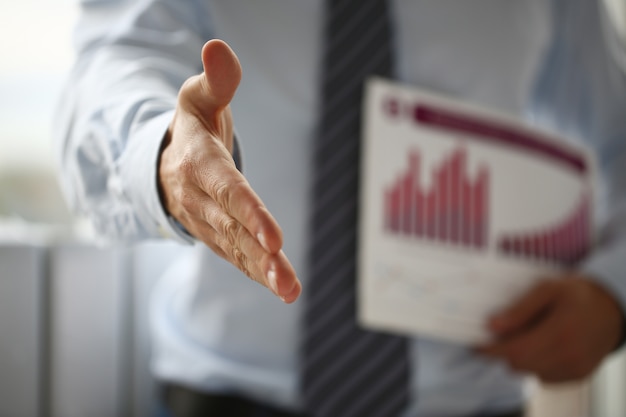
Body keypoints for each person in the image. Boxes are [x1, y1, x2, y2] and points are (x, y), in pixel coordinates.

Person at [54, 0, 626, 416]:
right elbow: (115, 61)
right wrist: (161, 153)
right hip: (222, 396)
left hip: (470, 398)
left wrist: (612, 294)